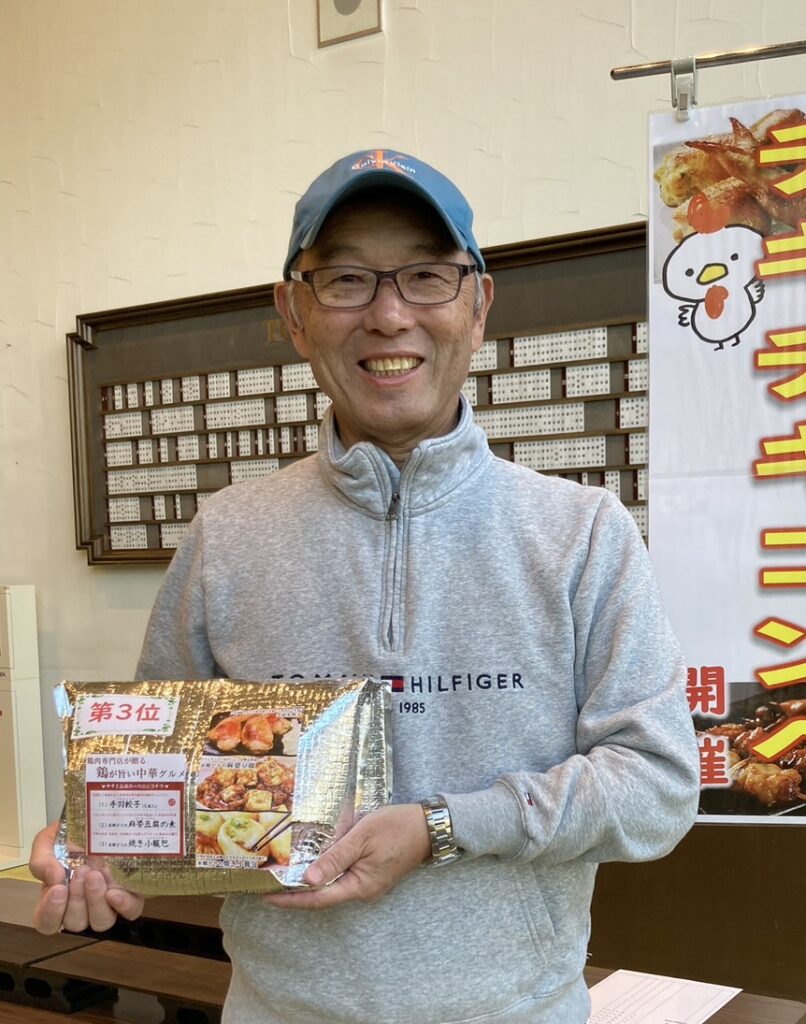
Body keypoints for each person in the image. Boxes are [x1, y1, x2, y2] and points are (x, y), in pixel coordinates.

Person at [31, 149, 700, 1023]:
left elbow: (656, 787)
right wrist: (100, 848)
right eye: (346, 280)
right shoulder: (226, 535)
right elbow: (165, 775)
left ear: (478, 305)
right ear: (294, 314)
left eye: (427, 276)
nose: (389, 315)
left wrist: (443, 827)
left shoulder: (583, 533)